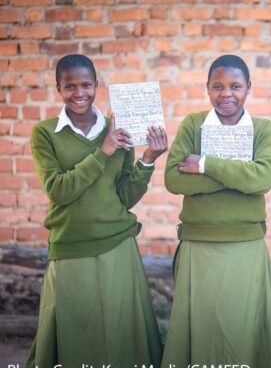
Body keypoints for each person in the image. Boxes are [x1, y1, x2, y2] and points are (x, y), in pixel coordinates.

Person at [27, 54, 167, 366]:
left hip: (118, 245)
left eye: (86, 85)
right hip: (71, 247)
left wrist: (147, 159)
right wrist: (102, 151)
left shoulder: (120, 129)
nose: (80, 93)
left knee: (121, 337)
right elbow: (58, 191)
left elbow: (124, 197)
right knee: (77, 336)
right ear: (58, 88)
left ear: (97, 85)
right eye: (70, 86)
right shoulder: (45, 134)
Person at [162, 54, 271, 367]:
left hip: (246, 244)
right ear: (207, 89)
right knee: (200, 326)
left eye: (235, 86)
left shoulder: (263, 130)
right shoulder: (193, 125)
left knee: (242, 330)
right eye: (218, 86)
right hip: (198, 245)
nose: (226, 93)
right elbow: (174, 180)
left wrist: (204, 164)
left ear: (248, 88)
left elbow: (263, 178)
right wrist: (238, 176)